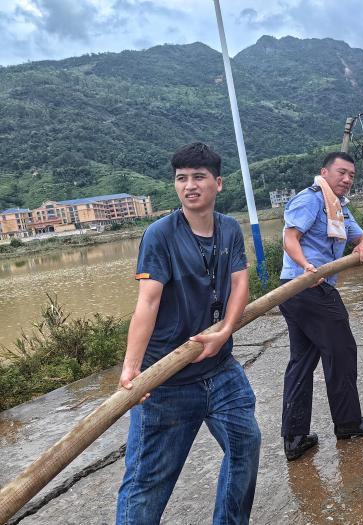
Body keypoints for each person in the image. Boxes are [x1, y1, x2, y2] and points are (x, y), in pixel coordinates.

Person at [116, 143, 261, 524]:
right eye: (181, 178)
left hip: (220, 369)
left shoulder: (229, 229)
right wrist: (132, 369)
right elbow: (147, 303)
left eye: (198, 177)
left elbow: (240, 281)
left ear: (218, 183)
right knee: (147, 483)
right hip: (167, 379)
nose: (189, 186)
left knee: (246, 446)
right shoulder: (159, 235)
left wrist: (226, 330)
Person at [278, 151, 363, 461]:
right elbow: (289, 238)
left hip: (296, 294)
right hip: (308, 287)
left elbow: (360, 237)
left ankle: (295, 438)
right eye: (341, 173)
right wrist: (307, 266)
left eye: (351, 174)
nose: (347, 179)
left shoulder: (339, 208)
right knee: (342, 352)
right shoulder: (310, 200)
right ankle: (348, 423)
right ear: (325, 172)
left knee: (302, 361)